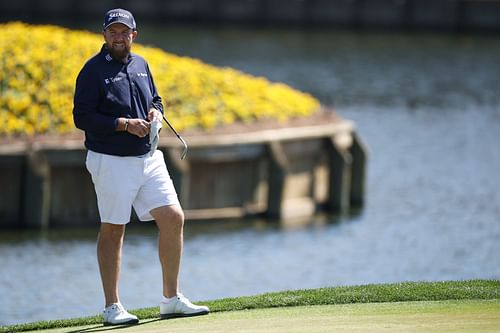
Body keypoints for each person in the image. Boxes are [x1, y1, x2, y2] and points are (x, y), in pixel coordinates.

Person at [73, 8, 209, 326]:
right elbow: (82, 117)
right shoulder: (92, 71)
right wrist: (123, 124)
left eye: (124, 32)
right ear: (104, 35)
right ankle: (112, 307)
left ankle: (171, 299)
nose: (119, 38)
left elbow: (157, 99)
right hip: (110, 160)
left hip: (148, 158)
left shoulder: (141, 64)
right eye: (113, 32)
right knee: (114, 229)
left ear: (134, 35)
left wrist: (155, 114)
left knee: (173, 218)